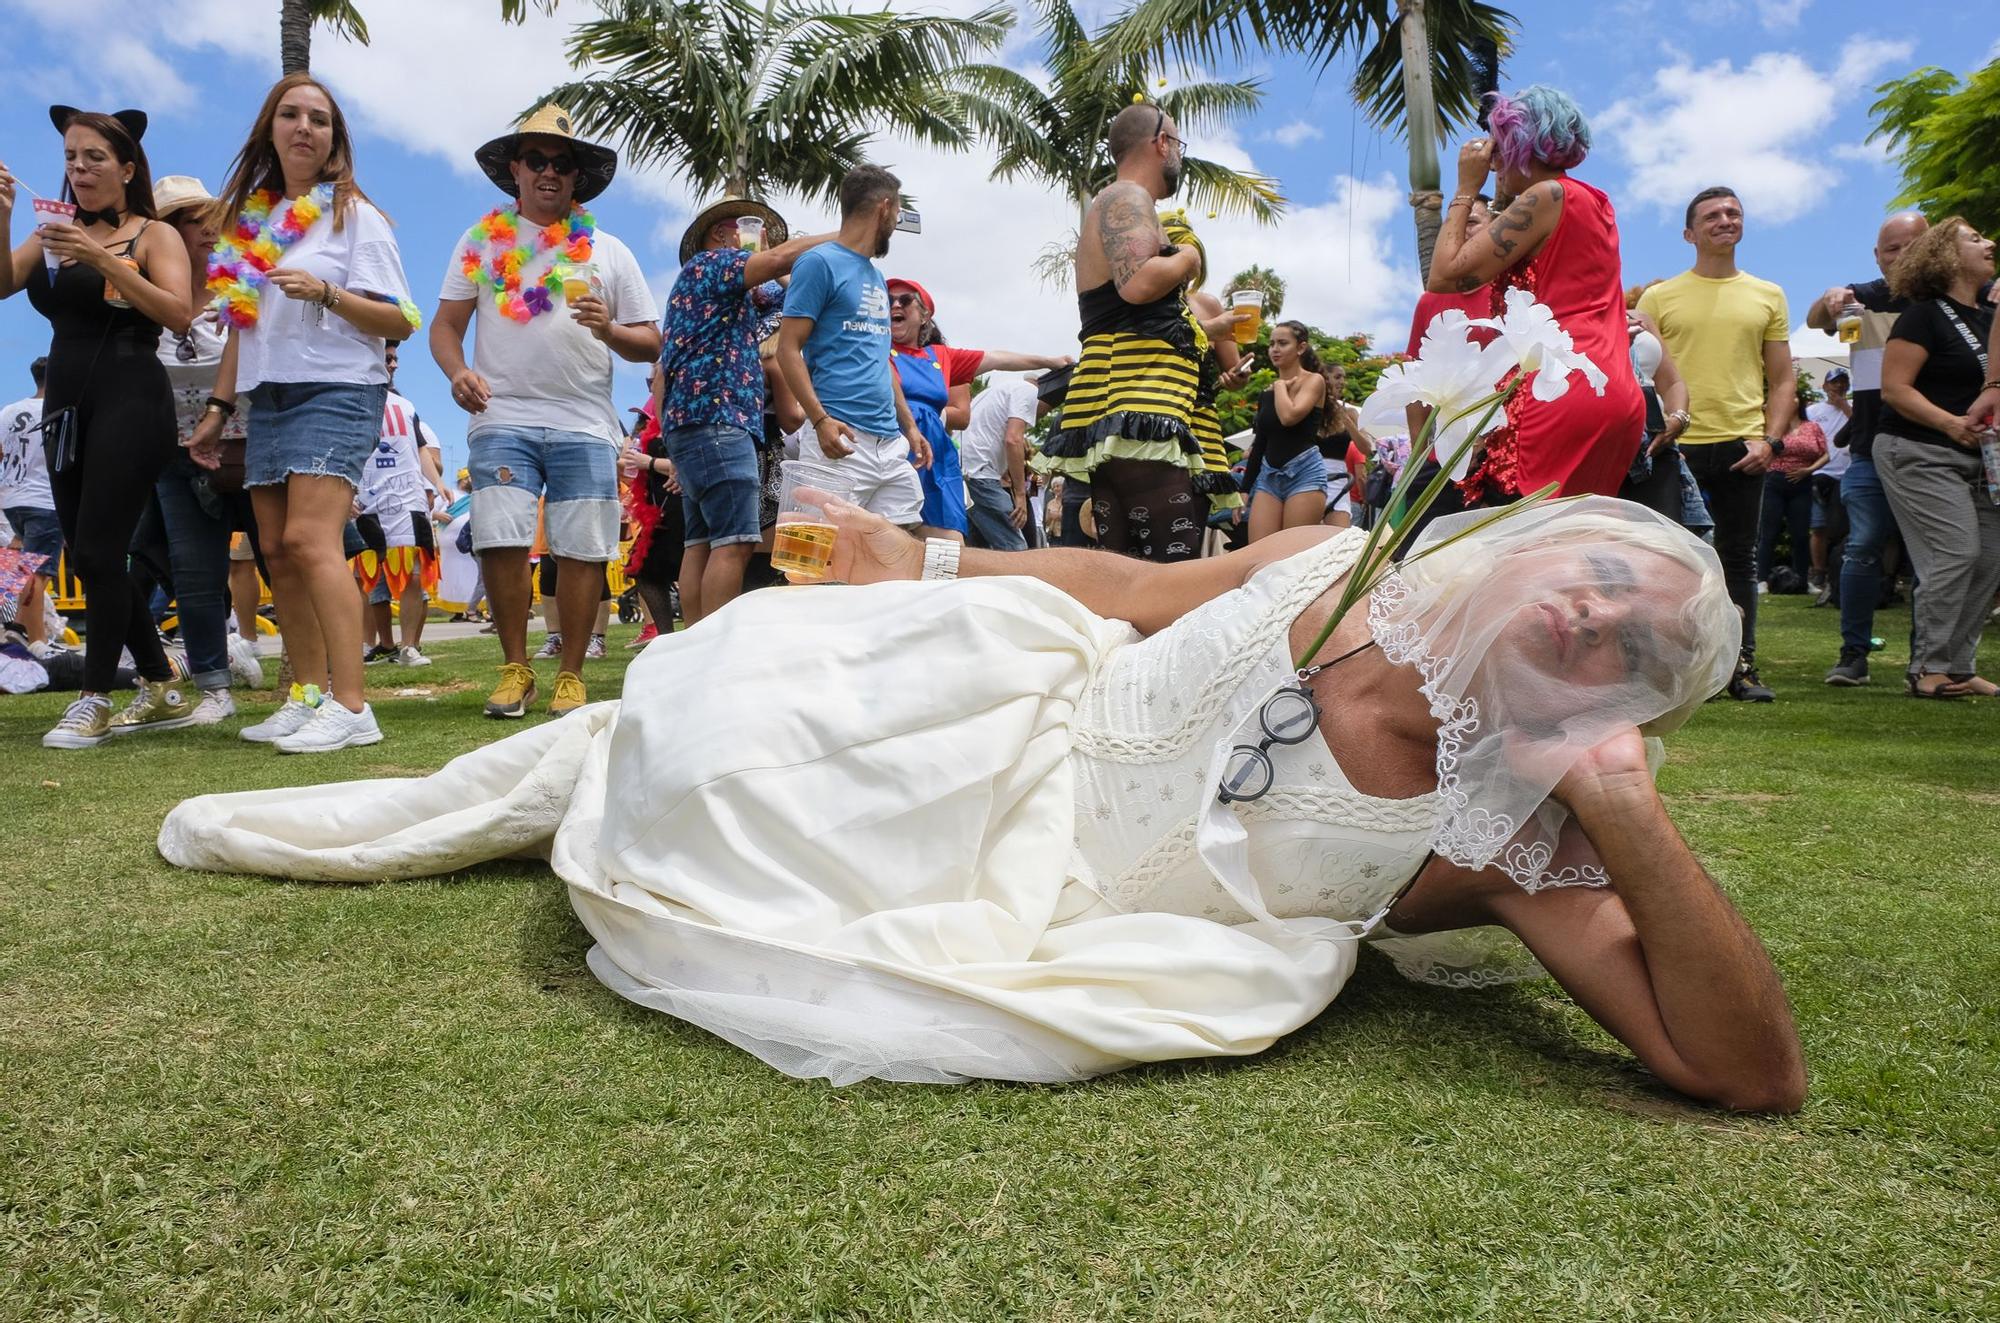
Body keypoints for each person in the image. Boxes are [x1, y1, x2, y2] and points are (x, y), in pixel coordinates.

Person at [160, 495, 1805, 1113]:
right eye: (1606, 574)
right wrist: (925, 557)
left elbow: (1747, 1070)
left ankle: (598, 790)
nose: (1604, 616)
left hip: (1063, 895)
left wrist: (1625, 807)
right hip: (1007, 700)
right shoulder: (1339, 557)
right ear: (1539, 545)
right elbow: (1138, 580)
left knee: (723, 814)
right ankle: (588, 767)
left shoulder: (1515, 829)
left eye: (1641, 644)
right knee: (719, 708)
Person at [188, 75, 422, 753]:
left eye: (319, 119)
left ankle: (353, 706)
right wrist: (217, 409)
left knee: (312, 542)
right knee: (280, 554)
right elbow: (240, 329)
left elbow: (401, 320)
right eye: (290, 114)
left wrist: (326, 291)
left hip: (338, 388)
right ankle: (308, 694)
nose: (304, 126)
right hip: (270, 395)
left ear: (333, 140)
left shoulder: (355, 216)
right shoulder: (252, 228)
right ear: (270, 129)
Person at [431, 103, 660, 718]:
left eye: (563, 163)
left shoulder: (608, 251)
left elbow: (651, 338)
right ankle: (514, 669)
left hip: (585, 420)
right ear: (516, 169)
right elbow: (445, 327)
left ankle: (571, 675)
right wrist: (457, 373)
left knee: (583, 549)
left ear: (576, 177)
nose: (550, 171)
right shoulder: (478, 244)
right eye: (537, 160)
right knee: (502, 541)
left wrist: (609, 330)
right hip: (501, 416)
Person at [2, 106, 195, 749]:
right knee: (89, 555)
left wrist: (102, 258)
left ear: (127, 168)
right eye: (69, 157)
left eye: (94, 157)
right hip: (64, 404)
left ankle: (93, 699)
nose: (79, 169)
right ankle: (162, 682)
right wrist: (2, 214)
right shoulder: (55, 228)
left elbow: (178, 312)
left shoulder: (152, 234)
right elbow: (3, 283)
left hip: (133, 399)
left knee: (97, 551)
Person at [1425, 87, 1645, 504]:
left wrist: (1465, 189)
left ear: (1517, 146)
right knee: (1572, 540)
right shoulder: (1594, 201)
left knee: (1519, 540)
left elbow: (1444, 275)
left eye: (1498, 149)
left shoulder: (1546, 196)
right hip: (1607, 388)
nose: (1493, 165)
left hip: (1556, 386)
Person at [1639, 187, 1795, 702]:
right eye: (1711, 215)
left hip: (1741, 446)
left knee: (1737, 559)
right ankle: (1669, 671)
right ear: (1690, 233)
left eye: (1733, 213)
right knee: (1665, 561)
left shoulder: (1767, 294)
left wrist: (1772, 440)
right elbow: (1646, 373)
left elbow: (1783, 378)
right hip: (1675, 447)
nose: (1724, 220)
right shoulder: (1659, 298)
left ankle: (1739, 665)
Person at [1040, 104, 1210, 561]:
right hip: (1135, 406)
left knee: (1129, 571)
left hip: (1132, 410)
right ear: (1161, 144)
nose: (1179, 156)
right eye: (1177, 144)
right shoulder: (1126, 196)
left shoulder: (1121, 199)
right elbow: (1139, 283)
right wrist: (1189, 256)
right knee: (1171, 572)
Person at [658, 196, 832, 624]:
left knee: (701, 542)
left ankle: (691, 648)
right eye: (750, 230)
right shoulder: (712, 265)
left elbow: (794, 298)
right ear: (721, 235)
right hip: (721, 419)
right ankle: (716, 649)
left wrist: (784, 273)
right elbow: (780, 261)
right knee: (734, 543)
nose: (763, 240)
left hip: (693, 427)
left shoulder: (724, 293)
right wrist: (849, 233)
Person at [136, 174, 256, 723]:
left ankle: (312, 674)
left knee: (285, 559)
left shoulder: (244, 288)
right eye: (189, 220)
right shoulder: (140, 301)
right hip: (176, 454)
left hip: (253, 446)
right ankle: (215, 687)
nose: (208, 229)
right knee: (195, 575)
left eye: (212, 218)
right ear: (163, 233)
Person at [1873, 218, 1999, 698]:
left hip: (1979, 458)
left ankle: (1959, 667)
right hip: (1919, 451)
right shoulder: (1923, 315)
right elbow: (1894, 389)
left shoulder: (1989, 318)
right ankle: (1928, 668)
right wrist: (1951, 423)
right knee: (1955, 552)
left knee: (1989, 558)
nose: (1989, 243)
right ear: (1945, 256)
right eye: (1975, 238)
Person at [775, 165, 933, 528]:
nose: (896, 222)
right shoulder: (818, 263)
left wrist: (909, 426)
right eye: (896, 213)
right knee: (815, 559)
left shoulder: (875, 275)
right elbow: (787, 349)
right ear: (885, 208)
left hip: (889, 441)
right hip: (839, 437)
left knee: (896, 547)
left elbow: (880, 360)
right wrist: (820, 420)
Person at [1808, 213, 1926, 687]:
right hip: (1869, 451)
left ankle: (1927, 660)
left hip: (1930, 448)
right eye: (1891, 249)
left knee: (1932, 561)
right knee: (1860, 548)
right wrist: (1830, 295)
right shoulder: (1864, 300)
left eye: (1911, 246)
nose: (1902, 257)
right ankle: (1853, 655)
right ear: (1878, 256)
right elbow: (1817, 319)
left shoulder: (1951, 304)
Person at [884, 277, 1069, 542]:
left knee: (950, 545)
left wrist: (1049, 361)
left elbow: (997, 358)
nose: (894, 305)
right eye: (888, 301)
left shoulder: (939, 356)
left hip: (935, 455)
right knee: (891, 537)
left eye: (904, 300)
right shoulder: (877, 350)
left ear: (924, 315)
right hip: (892, 447)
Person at [355, 345, 443, 667]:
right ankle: (365, 644)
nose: (391, 364)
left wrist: (436, 483)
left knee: (415, 574)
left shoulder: (406, 406)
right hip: (366, 502)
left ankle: (408, 648)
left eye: (394, 359)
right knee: (362, 578)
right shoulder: (351, 402)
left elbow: (420, 449)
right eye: (385, 357)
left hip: (409, 501)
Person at [1239, 321, 1329, 542]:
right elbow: (1260, 442)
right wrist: (1244, 489)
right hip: (1269, 476)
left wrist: (1279, 386)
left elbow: (1289, 417)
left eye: (1282, 343)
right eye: (1271, 344)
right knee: (1259, 553)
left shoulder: (1314, 381)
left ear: (1300, 348)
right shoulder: (1266, 394)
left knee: (1292, 556)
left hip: (1304, 472)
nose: (1274, 349)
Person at [1, 357, 57, 654]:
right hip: (43, 499)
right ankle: (38, 641)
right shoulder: (56, 411)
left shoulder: (9, 411)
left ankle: (15, 628)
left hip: (12, 497)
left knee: (18, 561)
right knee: (38, 571)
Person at [960, 373, 1045, 551]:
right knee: (1015, 548)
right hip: (981, 473)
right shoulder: (1029, 391)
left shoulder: (994, 392)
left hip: (965, 470)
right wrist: (1020, 495)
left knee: (977, 549)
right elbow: (1013, 440)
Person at [1806, 367, 1852, 601]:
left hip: (1846, 473)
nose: (1838, 387)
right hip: (1819, 472)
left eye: (1843, 382)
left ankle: (1837, 571)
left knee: (1842, 527)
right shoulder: (1813, 411)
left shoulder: (1852, 408)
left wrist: (1844, 404)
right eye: (1834, 383)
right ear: (1824, 386)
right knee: (1819, 526)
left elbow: (1859, 423)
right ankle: (1819, 571)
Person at [1315, 361, 1374, 528]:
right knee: (1310, 537)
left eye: (1343, 378)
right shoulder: (1311, 409)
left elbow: (1367, 448)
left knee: (1338, 536)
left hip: (1339, 479)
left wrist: (1347, 421)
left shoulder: (1350, 412)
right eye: (1337, 377)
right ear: (1324, 379)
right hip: (1311, 475)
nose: (1342, 382)